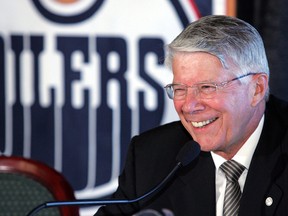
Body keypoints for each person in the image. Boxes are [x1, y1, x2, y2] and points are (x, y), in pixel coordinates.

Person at [95, 15, 288, 216]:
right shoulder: (151, 158)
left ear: (256, 89)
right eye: (179, 89)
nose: (189, 105)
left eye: (206, 87)